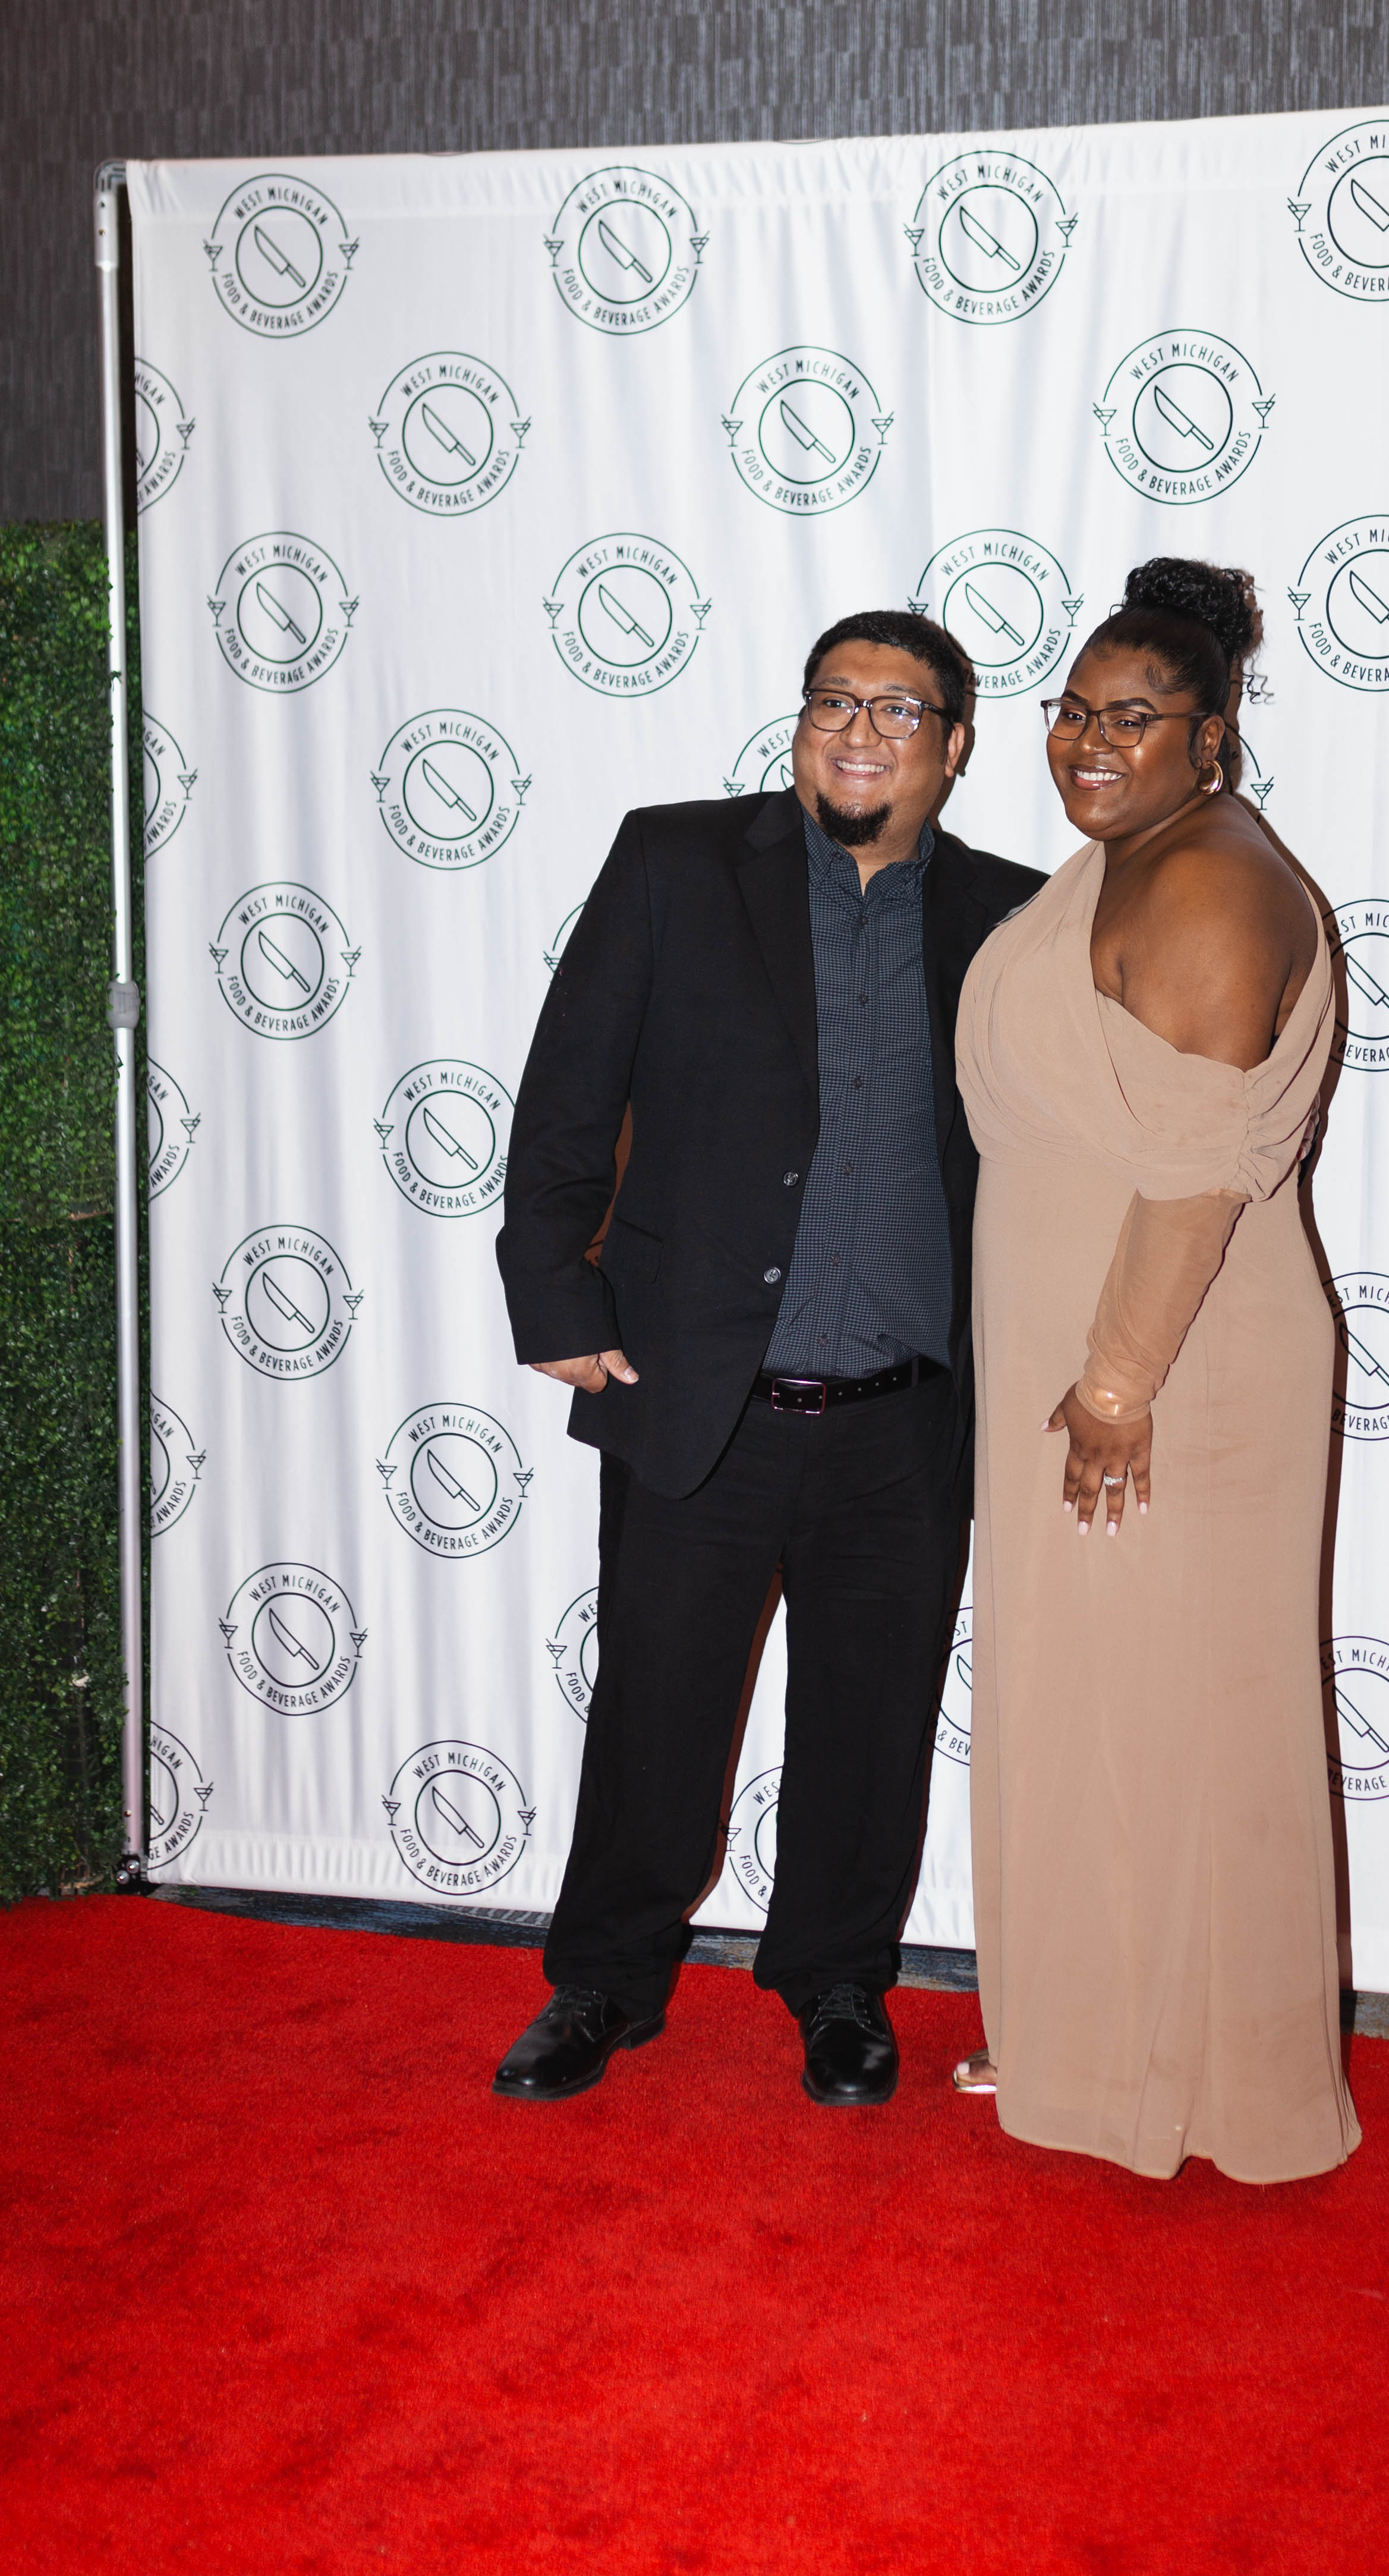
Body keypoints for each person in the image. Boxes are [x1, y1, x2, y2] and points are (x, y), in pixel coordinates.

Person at [492, 611, 1042, 2109]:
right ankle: (605, 1980)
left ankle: (839, 1983)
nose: (858, 731)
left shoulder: (1014, 915)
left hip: (906, 1415)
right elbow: (567, 1090)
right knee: (656, 1708)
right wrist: (557, 1298)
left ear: (953, 744)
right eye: (831, 701)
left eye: (897, 709)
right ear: (800, 722)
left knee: (873, 1717)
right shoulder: (675, 862)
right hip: (698, 1392)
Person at [952, 556, 1360, 2184]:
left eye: (1132, 718)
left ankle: (1202, 2079)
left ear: (1213, 737)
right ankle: (1093, 2033)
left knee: (1184, 1716)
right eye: (1070, 711)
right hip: (1087, 1357)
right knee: (1097, 1701)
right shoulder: (1119, 860)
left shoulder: (1207, 881)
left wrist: (1117, 1385)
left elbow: (1192, 1175)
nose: (1087, 742)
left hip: (1167, 1369)